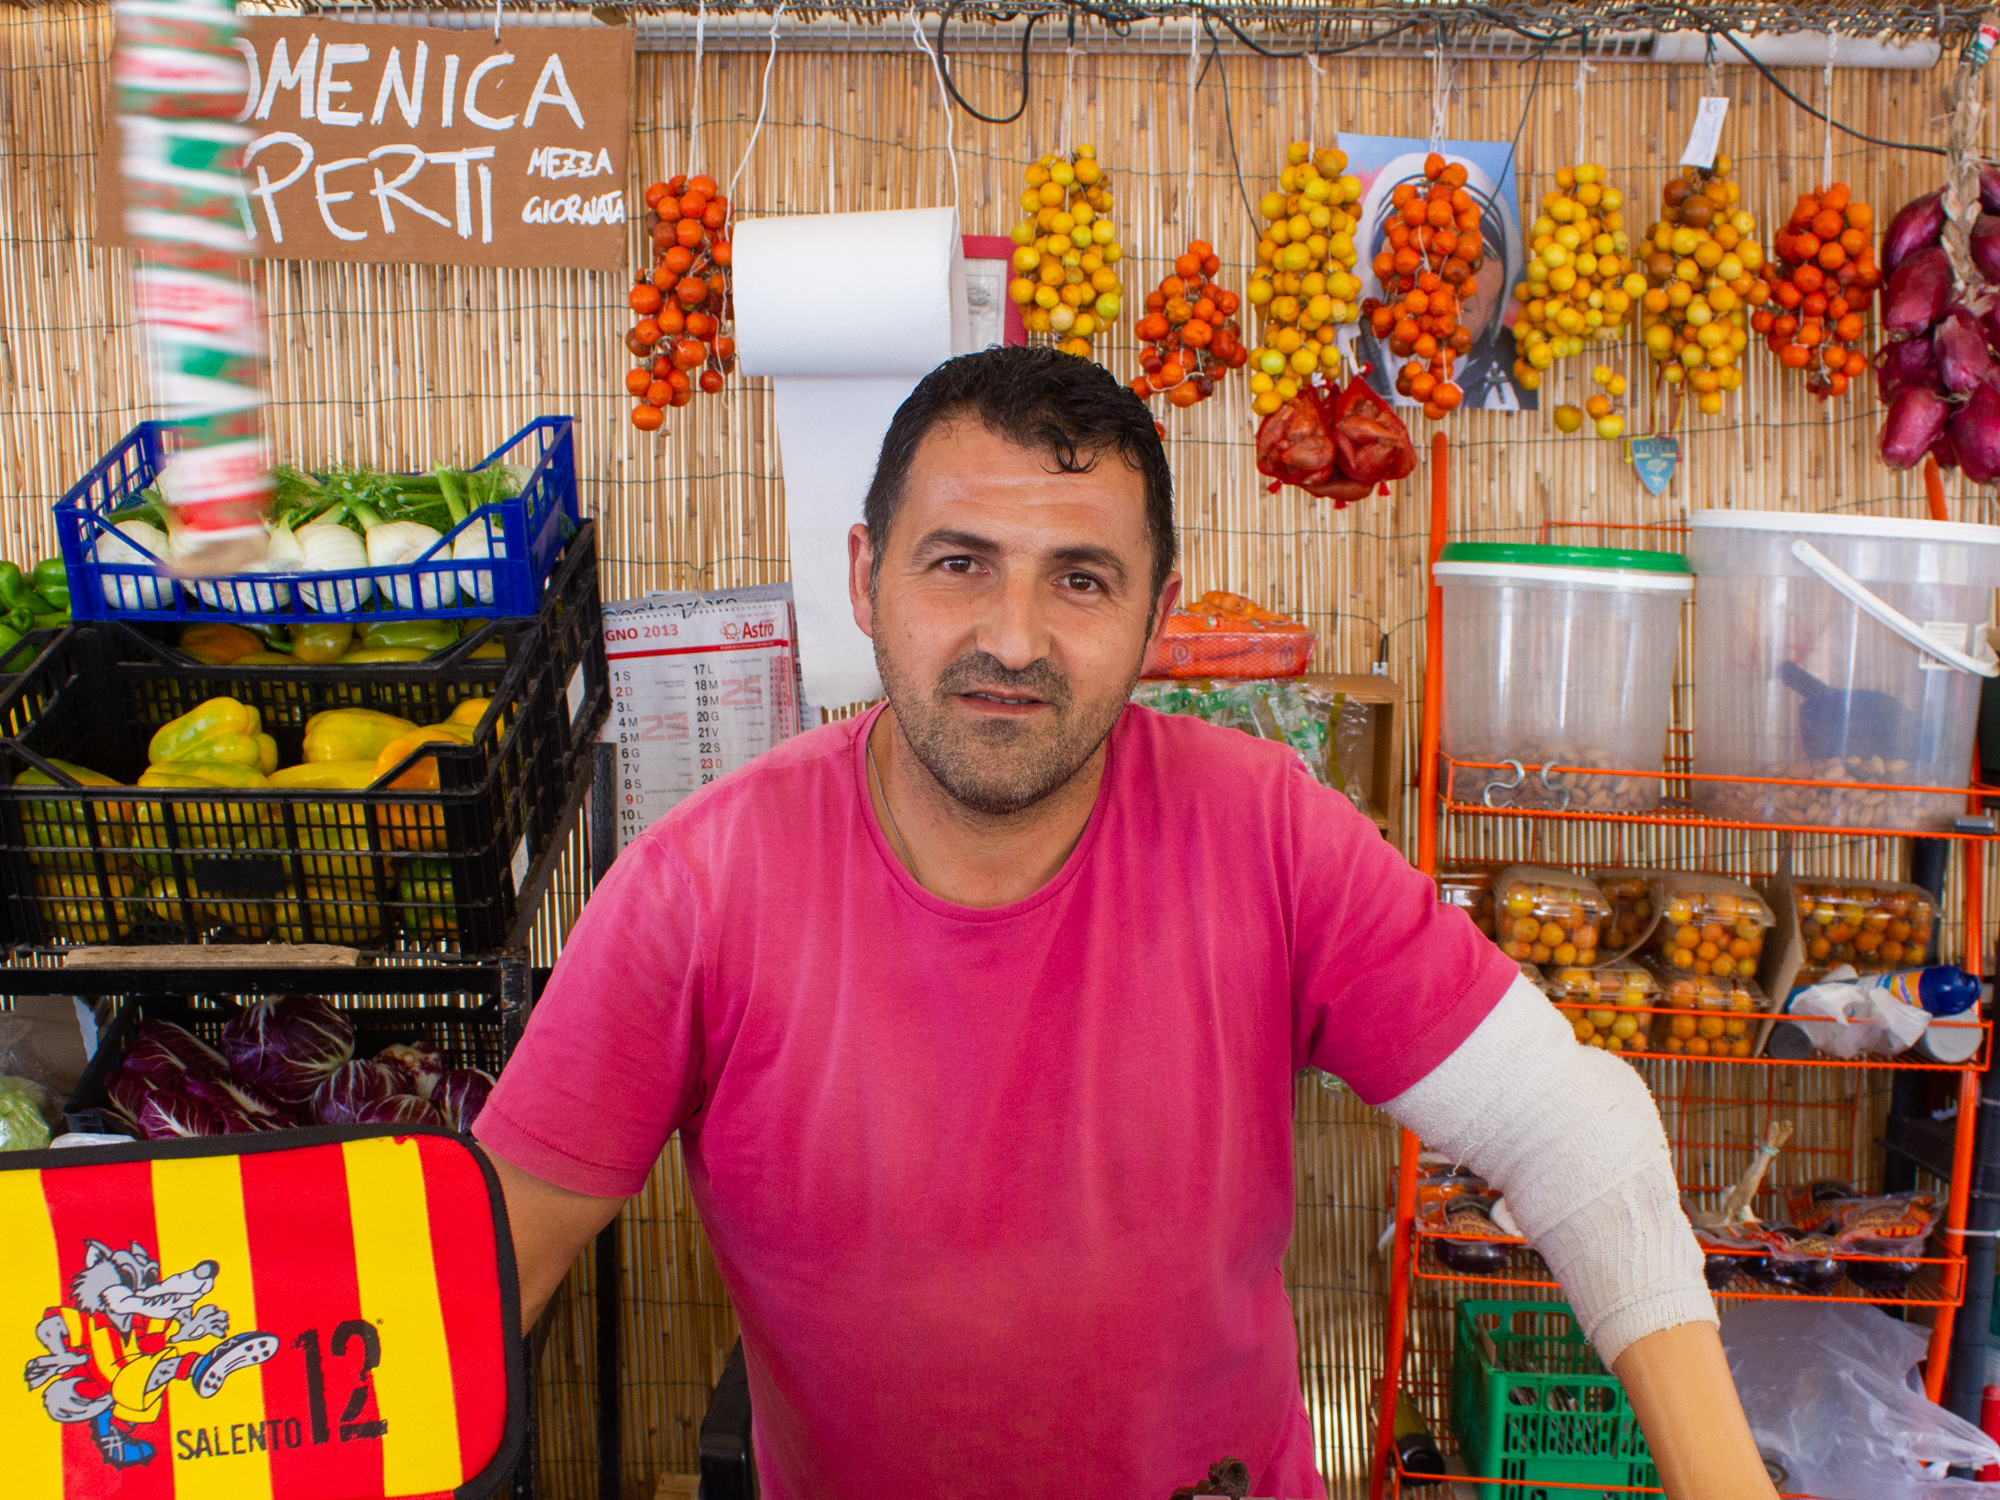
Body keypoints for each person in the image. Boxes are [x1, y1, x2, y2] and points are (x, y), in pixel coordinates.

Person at [475, 345, 1776, 1500]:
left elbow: (1571, 1130)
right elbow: (483, 1280)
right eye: (959, 564)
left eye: (1082, 581)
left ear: (1159, 617)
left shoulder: (1272, 835)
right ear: (866, 579)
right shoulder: (695, 892)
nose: (1015, 637)